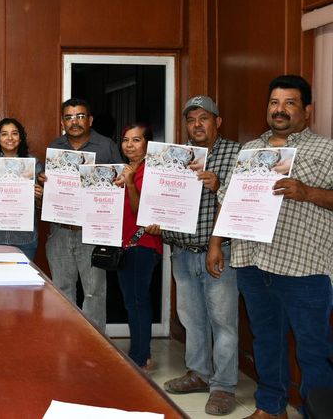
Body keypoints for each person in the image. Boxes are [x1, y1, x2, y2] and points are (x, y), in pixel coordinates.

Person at [207, 75, 333, 419]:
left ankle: (316, 413)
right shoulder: (250, 150)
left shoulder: (327, 149)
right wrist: (215, 244)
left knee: (312, 350)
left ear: (306, 110)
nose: (280, 110)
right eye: (275, 102)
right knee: (266, 341)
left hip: (304, 269)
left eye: (289, 103)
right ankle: (270, 408)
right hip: (252, 262)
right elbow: (228, 200)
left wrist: (307, 192)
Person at [153, 96, 240, 416]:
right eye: (191, 120)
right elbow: (162, 197)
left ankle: (224, 387)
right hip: (182, 251)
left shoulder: (236, 153)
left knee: (223, 321)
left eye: (204, 118)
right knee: (192, 319)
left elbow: (243, 200)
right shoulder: (175, 156)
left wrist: (217, 184)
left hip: (219, 252)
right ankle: (200, 374)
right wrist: (156, 217)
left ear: (217, 121)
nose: (197, 125)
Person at [43, 99, 123, 331]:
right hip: (60, 230)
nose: (74, 122)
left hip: (92, 233)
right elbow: (51, 190)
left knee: (94, 292)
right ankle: (65, 341)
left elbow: (121, 184)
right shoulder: (55, 147)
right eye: (69, 117)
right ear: (62, 121)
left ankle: (96, 345)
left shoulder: (106, 146)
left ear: (90, 120)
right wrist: (44, 183)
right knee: (62, 290)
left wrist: (118, 181)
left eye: (79, 116)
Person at [117, 123, 163, 371]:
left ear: (147, 144)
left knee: (137, 301)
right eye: (126, 140)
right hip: (124, 241)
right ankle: (139, 352)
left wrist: (131, 184)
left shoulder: (151, 170)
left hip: (142, 243)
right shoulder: (123, 169)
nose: (129, 145)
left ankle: (140, 357)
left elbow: (139, 211)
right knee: (132, 300)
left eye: (136, 140)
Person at [0, 118, 43, 260]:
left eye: (14, 133)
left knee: (23, 281)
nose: (10, 138)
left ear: (20, 138)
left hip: (24, 237)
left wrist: (39, 196)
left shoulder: (33, 164)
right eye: (4, 134)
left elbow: (40, 206)